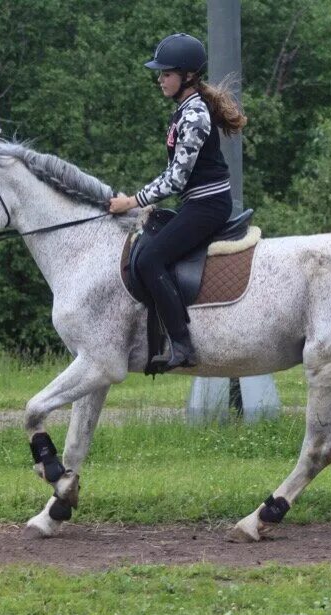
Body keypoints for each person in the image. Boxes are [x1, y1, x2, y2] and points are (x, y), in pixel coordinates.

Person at [109, 33, 247, 372]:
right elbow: (175, 173)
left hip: (208, 206)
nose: (160, 80)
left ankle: (183, 344)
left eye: (166, 73)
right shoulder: (185, 110)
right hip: (196, 203)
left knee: (151, 259)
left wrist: (133, 201)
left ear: (187, 76)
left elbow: (176, 179)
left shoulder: (195, 115)